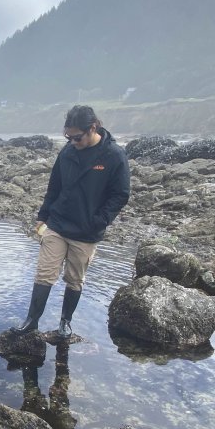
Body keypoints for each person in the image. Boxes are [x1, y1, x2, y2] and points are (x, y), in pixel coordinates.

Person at [12, 105, 130, 338]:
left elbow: (120, 194)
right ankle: (32, 321)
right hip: (58, 224)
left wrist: (99, 221)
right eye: (68, 137)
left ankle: (65, 322)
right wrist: (43, 216)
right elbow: (54, 186)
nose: (72, 141)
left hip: (87, 232)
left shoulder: (114, 155)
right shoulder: (67, 152)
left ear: (93, 128)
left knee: (75, 279)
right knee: (44, 273)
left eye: (77, 137)